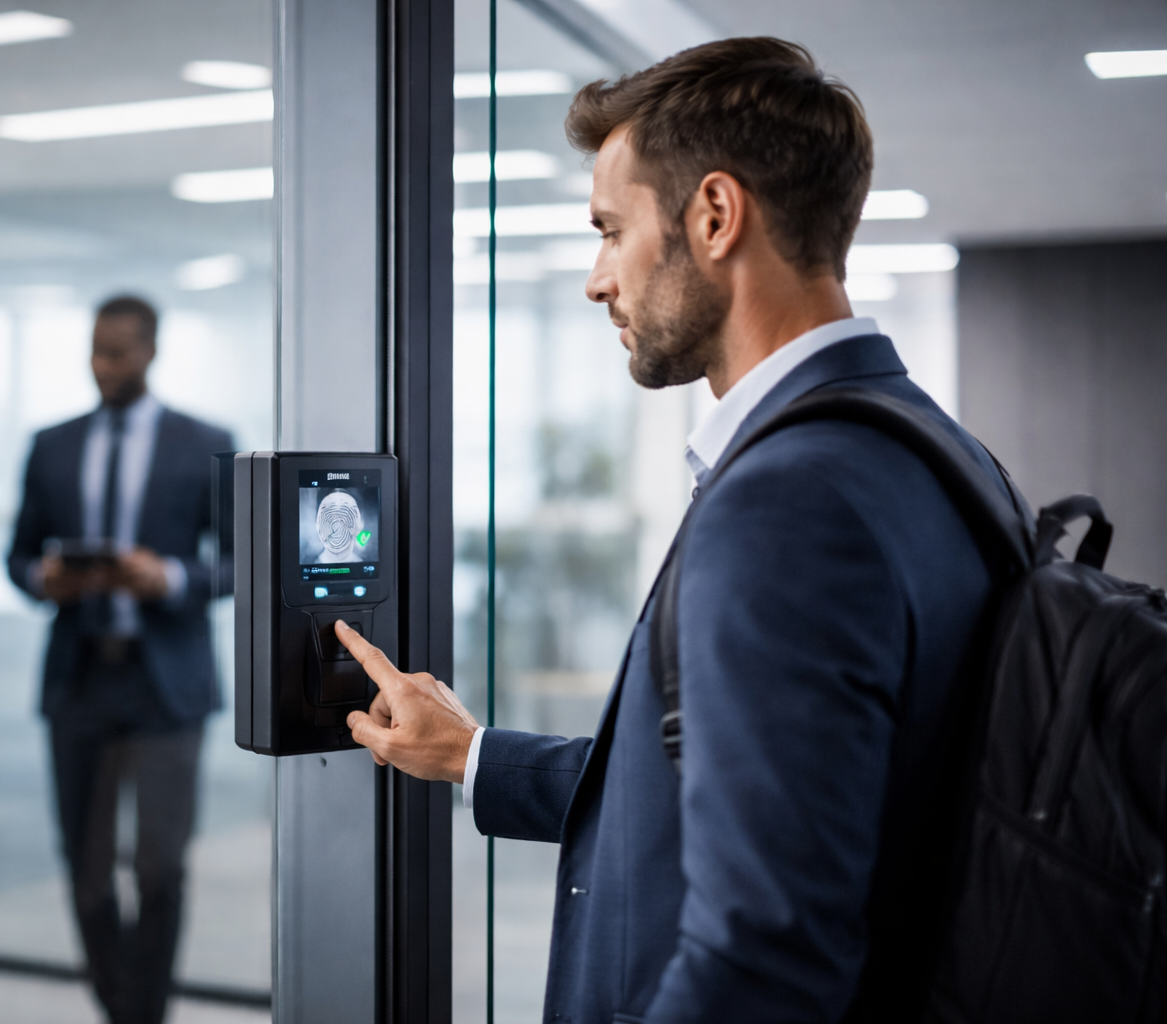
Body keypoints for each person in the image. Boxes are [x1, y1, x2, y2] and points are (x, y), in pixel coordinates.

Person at [336, 38, 1011, 1023]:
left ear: (715, 216)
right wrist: (473, 753)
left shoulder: (792, 502)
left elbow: (765, 954)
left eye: (612, 230)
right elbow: (766, 791)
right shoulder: (943, 454)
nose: (596, 279)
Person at [7, 295, 232, 1024]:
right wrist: (43, 578)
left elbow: (239, 563)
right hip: (80, 676)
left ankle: (144, 1013)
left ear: (150, 351)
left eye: (117, 352)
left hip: (165, 681)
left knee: (160, 866)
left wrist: (166, 577)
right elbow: (18, 554)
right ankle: (124, 1008)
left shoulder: (205, 442)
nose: (102, 366)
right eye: (95, 351)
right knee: (86, 871)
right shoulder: (52, 444)